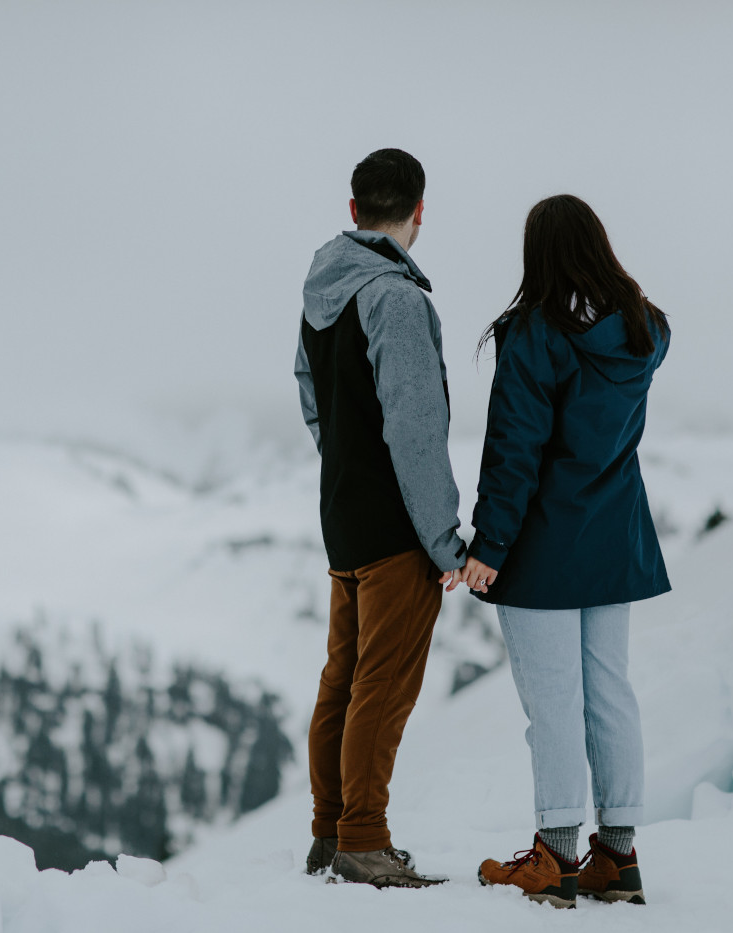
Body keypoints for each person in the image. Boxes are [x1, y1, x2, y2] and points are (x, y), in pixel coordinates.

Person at [463, 194, 670, 908]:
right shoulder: (645, 330)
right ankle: (618, 854)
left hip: (544, 547)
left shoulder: (534, 335)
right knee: (609, 691)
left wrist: (489, 544)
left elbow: (515, 448)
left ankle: (556, 856)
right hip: (613, 542)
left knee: (553, 703)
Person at [293, 148, 471, 888]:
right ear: (420, 212)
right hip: (396, 526)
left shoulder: (321, 292)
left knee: (343, 677)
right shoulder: (396, 300)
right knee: (382, 682)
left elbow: (311, 396)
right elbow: (415, 429)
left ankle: (331, 832)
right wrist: (443, 537)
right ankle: (362, 838)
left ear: (354, 209)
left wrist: (345, 468)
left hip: (344, 516)